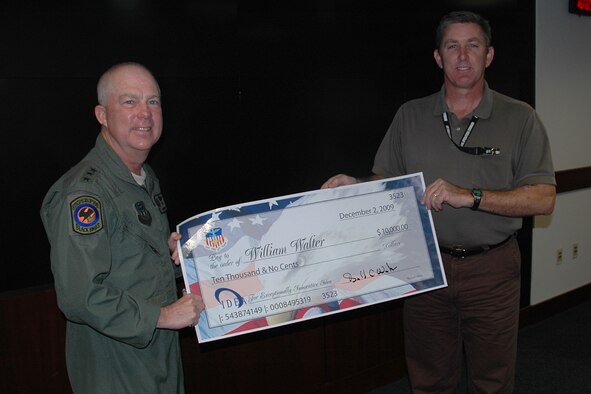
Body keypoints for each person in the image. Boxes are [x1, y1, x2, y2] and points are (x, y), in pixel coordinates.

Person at [322, 11, 555, 394]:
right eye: (452, 46)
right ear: (438, 57)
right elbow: (388, 182)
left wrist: (471, 196)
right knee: (429, 377)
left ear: (489, 55)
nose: (463, 56)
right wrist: (357, 186)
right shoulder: (410, 115)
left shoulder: (521, 118)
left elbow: (544, 198)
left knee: (492, 379)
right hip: (425, 267)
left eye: (473, 45)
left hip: (492, 270)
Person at [40, 62, 205, 393]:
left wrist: (175, 256)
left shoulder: (144, 178)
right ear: (102, 115)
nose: (145, 113)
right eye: (130, 102)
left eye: (153, 102)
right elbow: (79, 295)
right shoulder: (84, 193)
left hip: (158, 357)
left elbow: (136, 264)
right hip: (116, 367)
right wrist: (162, 317)